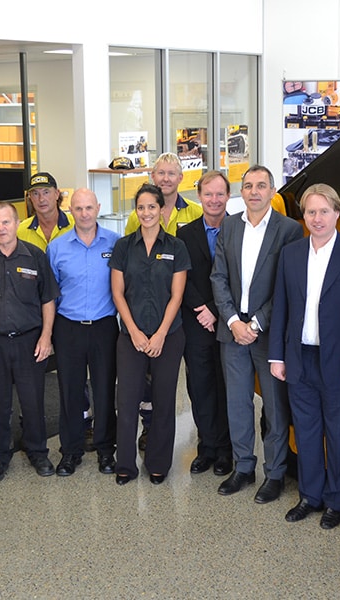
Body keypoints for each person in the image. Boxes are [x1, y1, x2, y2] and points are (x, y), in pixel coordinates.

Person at [269, 183, 340, 528]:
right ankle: (310, 496)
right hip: (299, 358)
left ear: (337, 214)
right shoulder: (292, 253)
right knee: (307, 431)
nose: (317, 218)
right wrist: (277, 357)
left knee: (338, 432)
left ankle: (336, 500)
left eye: (324, 211)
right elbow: (281, 306)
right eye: (311, 212)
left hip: (339, 362)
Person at [210, 164, 303, 503]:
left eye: (261, 185)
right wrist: (234, 321)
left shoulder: (289, 230)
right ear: (241, 192)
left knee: (276, 407)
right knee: (238, 404)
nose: (254, 192)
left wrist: (256, 324)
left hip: (268, 332)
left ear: (272, 191)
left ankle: (275, 473)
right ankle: (244, 468)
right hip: (232, 331)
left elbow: (287, 286)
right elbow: (218, 277)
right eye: (248, 185)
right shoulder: (230, 226)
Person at [0, 202, 59, 482]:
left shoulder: (34, 256)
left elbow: (48, 299)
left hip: (29, 340)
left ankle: (37, 451)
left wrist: (46, 336)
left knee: (33, 400)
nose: (0, 228)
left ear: (17, 223)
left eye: (6, 222)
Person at [109, 183, 190, 485]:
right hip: (130, 337)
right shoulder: (123, 247)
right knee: (127, 400)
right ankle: (125, 465)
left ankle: (158, 464)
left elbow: (177, 296)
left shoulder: (175, 247)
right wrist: (134, 332)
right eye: (141, 207)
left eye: (151, 207)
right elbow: (117, 293)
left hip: (168, 337)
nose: (146, 213)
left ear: (161, 209)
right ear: (136, 210)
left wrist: (158, 335)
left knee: (163, 400)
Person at [124, 152, 203, 450]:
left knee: (193, 376)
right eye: (161, 173)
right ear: (153, 177)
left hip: (189, 308)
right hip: (151, 309)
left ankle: (203, 435)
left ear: (182, 178)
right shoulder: (138, 215)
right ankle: (150, 429)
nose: (166, 179)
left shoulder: (194, 213)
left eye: (172, 173)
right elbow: (130, 261)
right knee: (147, 378)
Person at [46, 188, 119, 476]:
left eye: (89, 207)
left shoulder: (115, 243)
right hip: (69, 328)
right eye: (78, 208)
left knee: (104, 392)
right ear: (70, 211)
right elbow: (50, 295)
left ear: (98, 207)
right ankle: (71, 451)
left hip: (104, 327)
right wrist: (49, 333)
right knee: (70, 392)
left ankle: (105, 451)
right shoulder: (57, 247)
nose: (84, 213)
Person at [176, 171, 232, 476]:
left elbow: (240, 278)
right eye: (208, 194)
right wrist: (201, 309)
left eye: (219, 194)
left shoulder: (238, 230)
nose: (214, 200)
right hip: (196, 323)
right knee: (200, 386)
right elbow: (181, 277)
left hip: (229, 321)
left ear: (227, 196)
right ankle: (206, 447)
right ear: (199, 196)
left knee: (226, 387)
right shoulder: (185, 235)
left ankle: (226, 450)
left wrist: (215, 309)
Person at [17, 172, 75, 250]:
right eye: (35, 194)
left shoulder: (75, 225)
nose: (41, 199)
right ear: (30, 197)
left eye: (46, 192)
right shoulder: (20, 231)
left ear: (57, 194)